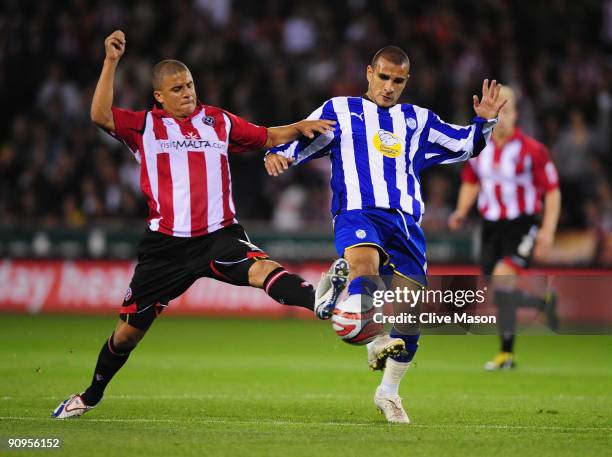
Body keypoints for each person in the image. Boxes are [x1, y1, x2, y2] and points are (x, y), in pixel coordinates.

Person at [52, 30, 349, 419]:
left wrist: (300, 127)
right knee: (127, 334)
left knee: (264, 270)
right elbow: (99, 115)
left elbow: (266, 135)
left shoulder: (217, 121)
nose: (186, 92)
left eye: (189, 85)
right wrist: (110, 61)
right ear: (159, 96)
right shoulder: (144, 127)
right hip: (166, 247)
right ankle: (90, 395)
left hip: (219, 236)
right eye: (176, 88)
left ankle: (322, 302)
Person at [264, 46, 506, 423]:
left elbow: (463, 145)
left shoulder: (418, 119)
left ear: (406, 81)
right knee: (364, 265)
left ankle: (388, 392)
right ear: (368, 73)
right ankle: (372, 335)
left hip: (406, 223)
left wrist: (484, 124)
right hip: (357, 211)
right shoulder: (340, 110)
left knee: (410, 316)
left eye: (397, 80)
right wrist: (279, 154)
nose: (389, 87)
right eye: (383, 77)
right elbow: (303, 134)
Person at [448, 86, 561, 370]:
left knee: (502, 278)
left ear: (516, 114)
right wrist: (461, 211)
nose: (503, 117)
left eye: (507, 111)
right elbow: (471, 181)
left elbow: (552, 191)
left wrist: (547, 230)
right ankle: (540, 303)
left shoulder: (532, 150)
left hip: (522, 224)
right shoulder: (478, 148)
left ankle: (506, 354)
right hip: (490, 227)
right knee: (498, 288)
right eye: (498, 112)